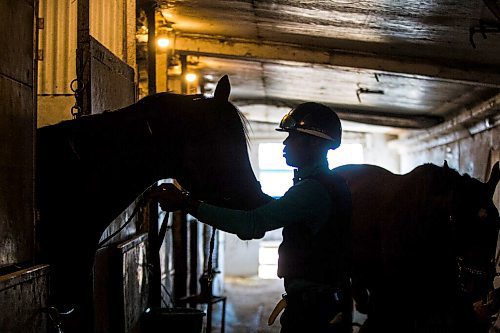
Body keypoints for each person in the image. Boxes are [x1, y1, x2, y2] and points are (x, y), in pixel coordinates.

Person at [152, 102, 352, 333]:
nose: (285, 144)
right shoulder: (325, 185)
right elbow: (280, 209)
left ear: (315, 143)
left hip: (314, 312)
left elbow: (252, 225)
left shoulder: (312, 191)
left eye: (293, 137)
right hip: (322, 303)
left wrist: (187, 204)